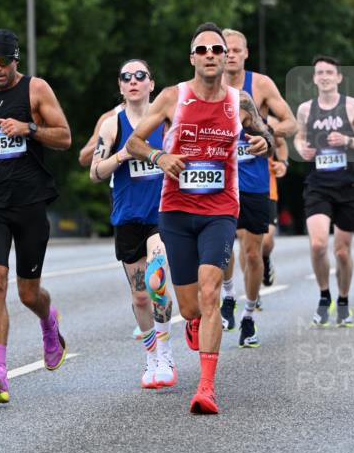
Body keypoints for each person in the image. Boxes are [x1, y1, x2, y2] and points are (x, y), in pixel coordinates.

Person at [126, 23, 272, 415]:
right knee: (190, 307)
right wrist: (159, 157)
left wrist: (262, 141)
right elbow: (133, 142)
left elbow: (266, 135)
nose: (210, 54)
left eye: (217, 49)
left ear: (226, 57)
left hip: (220, 211)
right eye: (202, 49)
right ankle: (193, 322)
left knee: (211, 294)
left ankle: (206, 389)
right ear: (193, 57)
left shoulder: (239, 102)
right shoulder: (174, 97)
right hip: (175, 211)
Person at [0, 29, 72, 405]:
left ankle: (49, 323)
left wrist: (30, 128)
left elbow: (65, 137)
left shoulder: (36, 90)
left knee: (27, 293)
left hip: (30, 202)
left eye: (3, 62)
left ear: (15, 60)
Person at [90, 59, 175, 388]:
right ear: (121, 85)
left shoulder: (167, 122)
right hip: (127, 218)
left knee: (157, 281)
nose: (134, 81)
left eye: (141, 76)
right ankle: (151, 355)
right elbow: (95, 172)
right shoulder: (113, 125)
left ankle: (166, 353)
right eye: (127, 77)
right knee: (140, 296)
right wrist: (123, 155)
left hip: (161, 215)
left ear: (151, 84)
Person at [219, 29, 297, 346]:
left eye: (237, 50)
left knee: (253, 254)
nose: (232, 55)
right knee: (222, 246)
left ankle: (249, 314)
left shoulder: (260, 84)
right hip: (218, 179)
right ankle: (227, 296)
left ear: (246, 53)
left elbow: (290, 123)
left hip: (254, 180)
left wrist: (263, 130)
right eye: (227, 50)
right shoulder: (207, 86)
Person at [294, 55, 354, 327]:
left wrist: (347, 139)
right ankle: (323, 295)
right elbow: (298, 137)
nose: (325, 76)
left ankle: (343, 299)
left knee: (342, 251)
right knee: (318, 245)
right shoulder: (306, 109)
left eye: (330, 72)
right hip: (318, 186)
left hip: (347, 186)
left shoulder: (352, 106)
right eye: (320, 72)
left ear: (339, 77)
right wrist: (301, 149)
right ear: (314, 78)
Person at [261, 135, 289, 288]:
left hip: (267, 188)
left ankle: (265, 259)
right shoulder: (226, 119)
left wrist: (283, 163)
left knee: (266, 239)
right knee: (247, 245)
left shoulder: (268, 123)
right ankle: (252, 290)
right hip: (238, 189)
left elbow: (281, 141)